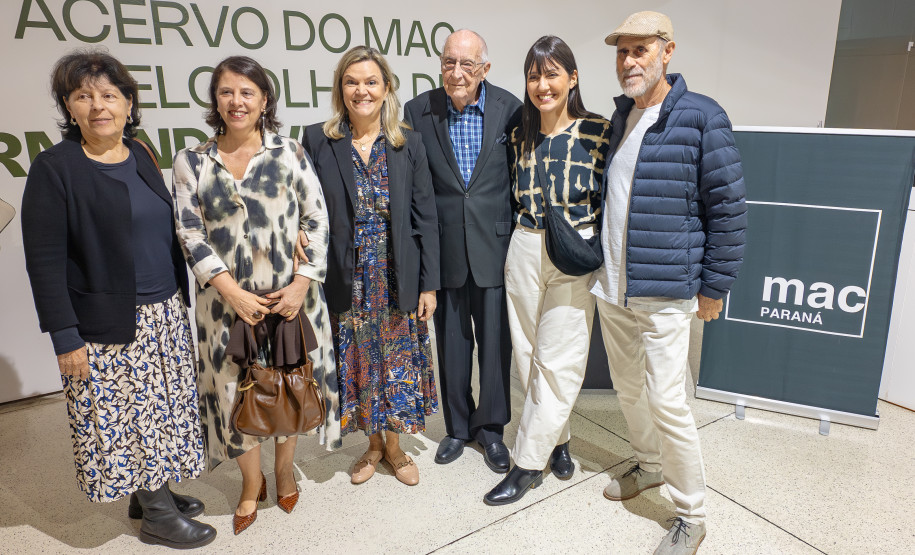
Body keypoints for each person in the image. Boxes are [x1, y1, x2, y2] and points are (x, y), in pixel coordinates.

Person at [21, 50, 216, 549]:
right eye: (83, 96)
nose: (98, 106)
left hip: (163, 310)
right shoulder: (55, 168)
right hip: (104, 322)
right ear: (68, 106)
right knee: (127, 415)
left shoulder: (141, 152)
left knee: (158, 411)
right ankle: (157, 517)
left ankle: (150, 493)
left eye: (109, 95)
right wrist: (65, 337)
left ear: (129, 104)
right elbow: (43, 263)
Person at [595, 11, 747, 554]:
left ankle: (692, 513)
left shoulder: (701, 117)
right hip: (614, 287)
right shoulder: (621, 117)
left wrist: (714, 287)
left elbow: (728, 210)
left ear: (668, 51)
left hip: (667, 289)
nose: (630, 61)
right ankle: (651, 465)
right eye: (622, 52)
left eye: (640, 50)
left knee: (668, 399)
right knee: (631, 390)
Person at [172, 55, 339, 535]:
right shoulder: (192, 162)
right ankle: (251, 483)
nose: (237, 101)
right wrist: (230, 291)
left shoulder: (290, 153)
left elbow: (318, 219)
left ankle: (284, 471)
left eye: (247, 92)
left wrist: (302, 283)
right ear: (215, 100)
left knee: (288, 386)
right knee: (233, 394)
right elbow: (190, 232)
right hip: (224, 307)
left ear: (265, 100)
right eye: (227, 91)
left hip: (289, 299)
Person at [302, 46, 440, 487]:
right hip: (346, 274)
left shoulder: (407, 141)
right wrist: (296, 232)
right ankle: (372, 445)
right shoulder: (317, 140)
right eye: (352, 82)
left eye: (371, 82)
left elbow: (425, 217)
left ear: (386, 89)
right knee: (359, 361)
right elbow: (303, 204)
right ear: (340, 89)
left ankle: (395, 449)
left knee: (397, 359)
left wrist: (429, 285)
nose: (361, 90)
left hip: (396, 271)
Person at [483, 36, 612, 505]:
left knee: (561, 357)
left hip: (572, 253)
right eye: (534, 75)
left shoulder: (599, 131)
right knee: (529, 354)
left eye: (552, 73)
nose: (542, 85)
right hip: (524, 245)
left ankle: (526, 464)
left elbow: (613, 201)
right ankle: (558, 439)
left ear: (572, 78)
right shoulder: (520, 131)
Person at [404, 29, 521, 473]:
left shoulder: (511, 110)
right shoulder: (419, 111)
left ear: (484, 69)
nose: (456, 73)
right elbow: (415, 189)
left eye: (467, 64)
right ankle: (457, 427)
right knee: (451, 346)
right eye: (449, 62)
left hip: (496, 248)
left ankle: (491, 431)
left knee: (495, 347)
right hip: (445, 250)